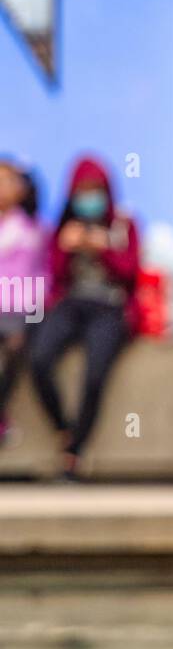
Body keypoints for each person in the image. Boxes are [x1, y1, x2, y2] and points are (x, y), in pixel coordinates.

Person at [29, 157, 141, 480]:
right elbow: (56, 275)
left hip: (109, 306)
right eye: (82, 191)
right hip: (72, 304)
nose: (88, 198)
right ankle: (64, 430)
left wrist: (101, 247)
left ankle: (74, 452)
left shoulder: (123, 224)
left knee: (94, 376)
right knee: (39, 358)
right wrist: (67, 246)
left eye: (94, 190)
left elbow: (130, 274)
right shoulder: (65, 225)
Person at [0, 159, 48, 446]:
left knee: (19, 344)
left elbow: (42, 276)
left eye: (8, 180)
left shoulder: (32, 230)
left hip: (23, 308)